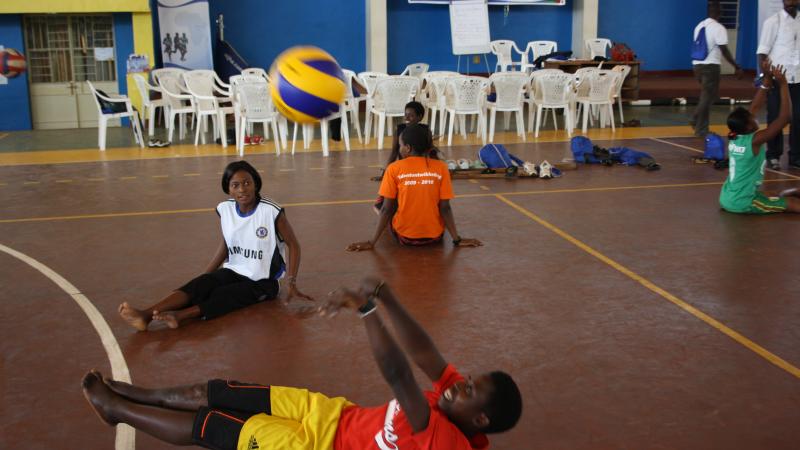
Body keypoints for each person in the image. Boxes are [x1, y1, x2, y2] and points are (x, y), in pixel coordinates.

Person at [82, 277, 522, 450]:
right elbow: (425, 354)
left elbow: (399, 374)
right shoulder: (452, 403)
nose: (457, 384)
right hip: (330, 414)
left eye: (467, 390)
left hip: (311, 447)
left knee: (210, 424)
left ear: (479, 418)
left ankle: (116, 410)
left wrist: (366, 311)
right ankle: (133, 393)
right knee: (218, 391)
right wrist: (384, 295)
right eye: (466, 380)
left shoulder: (444, 439)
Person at [118, 160, 312, 330]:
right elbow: (227, 244)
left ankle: (180, 316)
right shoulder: (225, 209)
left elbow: (293, 245)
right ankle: (145, 315)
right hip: (234, 270)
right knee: (201, 284)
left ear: (256, 184)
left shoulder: (271, 211)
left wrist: (291, 281)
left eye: (247, 183)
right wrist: (206, 275)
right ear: (228, 189)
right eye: (236, 185)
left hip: (263, 281)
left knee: (225, 294)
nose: (242, 189)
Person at [349, 124, 481, 250]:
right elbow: (445, 208)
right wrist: (457, 239)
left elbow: (386, 210)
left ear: (407, 148)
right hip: (435, 237)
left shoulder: (393, 168)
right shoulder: (441, 167)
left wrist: (372, 242)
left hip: (405, 238)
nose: (399, 148)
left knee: (381, 201)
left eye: (400, 145)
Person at [720, 63, 800, 214]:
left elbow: (754, 107)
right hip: (743, 202)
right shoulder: (754, 140)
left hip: (728, 196)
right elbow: (785, 118)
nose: (755, 117)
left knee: (772, 195)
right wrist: (783, 85)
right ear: (750, 127)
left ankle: (788, 192)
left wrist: (766, 81)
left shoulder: (736, 135)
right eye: (753, 119)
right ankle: (789, 196)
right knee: (791, 203)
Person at [756, 0, 800, 170]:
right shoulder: (773, 22)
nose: (791, 2)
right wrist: (766, 78)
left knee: (798, 118)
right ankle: (773, 155)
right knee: (775, 118)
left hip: (798, 80)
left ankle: (795, 156)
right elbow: (762, 53)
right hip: (778, 79)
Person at [690, 1, 743, 138]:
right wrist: (736, 66)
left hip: (697, 65)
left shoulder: (699, 26)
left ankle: (700, 127)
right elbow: (724, 50)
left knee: (706, 97)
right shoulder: (719, 28)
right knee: (708, 97)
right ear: (719, 12)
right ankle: (697, 123)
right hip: (711, 66)